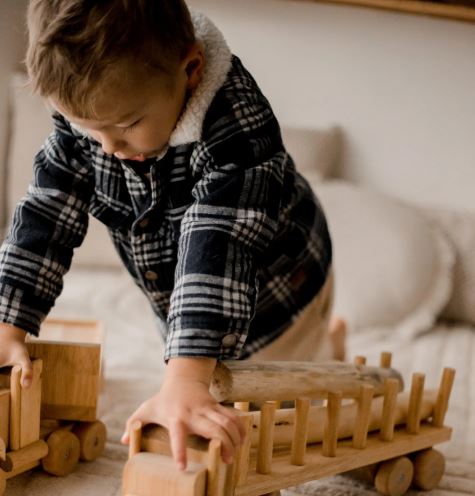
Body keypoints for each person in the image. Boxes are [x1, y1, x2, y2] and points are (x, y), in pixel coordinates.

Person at [0, 0, 344, 470]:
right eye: (87, 128)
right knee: (206, 377)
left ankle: (330, 350)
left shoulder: (239, 133)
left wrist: (185, 380)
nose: (108, 147)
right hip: (181, 291)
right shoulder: (91, 122)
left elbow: (216, 247)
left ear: (192, 70)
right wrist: (8, 322)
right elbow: (45, 212)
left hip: (281, 290)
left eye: (125, 125)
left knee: (276, 398)